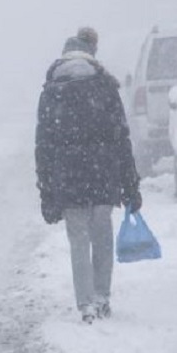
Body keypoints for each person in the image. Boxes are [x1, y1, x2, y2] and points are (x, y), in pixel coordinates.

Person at [35, 26, 143, 323]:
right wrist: (130, 184)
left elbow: (43, 145)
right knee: (102, 235)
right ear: (92, 53)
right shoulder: (105, 86)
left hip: (68, 175)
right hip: (102, 172)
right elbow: (121, 137)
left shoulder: (52, 90)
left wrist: (47, 191)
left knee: (78, 240)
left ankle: (85, 304)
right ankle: (102, 296)